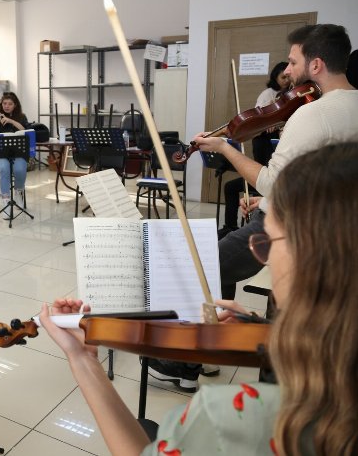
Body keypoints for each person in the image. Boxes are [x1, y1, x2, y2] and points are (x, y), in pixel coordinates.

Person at [40, 142, 358, 455]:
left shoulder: (230, 417)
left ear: (314, 258)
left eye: (268, 241)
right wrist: (268, 332)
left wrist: (83, 361)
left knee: (146, 427)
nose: (266, 258)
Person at [150, 24, 358, 392]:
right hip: (329, 229)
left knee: (206, 265)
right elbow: (325, 179)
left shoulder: (312, 114)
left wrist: (225, 148)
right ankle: (259, 382)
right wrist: (269, 198)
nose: (287, 71)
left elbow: (274, 181)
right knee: (280, 309)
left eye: (293, 62)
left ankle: (185, 363)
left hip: (285, 228)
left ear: (316, 65)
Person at [218, 61, 290, 238]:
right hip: (265, 165)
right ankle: (230, 227)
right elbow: (260, 118)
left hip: (276, 181)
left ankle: (244, 230)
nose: (287, 80)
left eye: (288, 77)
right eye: (283, 77)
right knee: (231, 187)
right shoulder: (269, 96)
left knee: (233, 187)